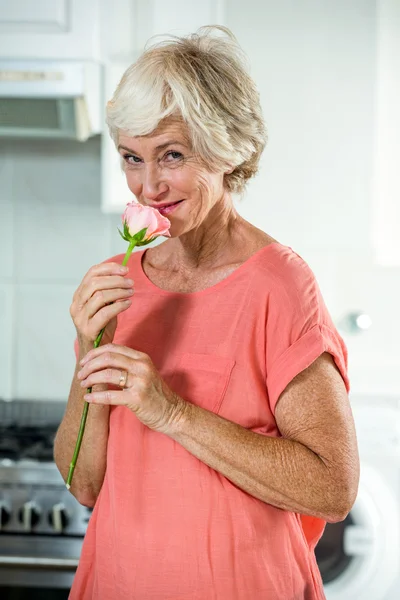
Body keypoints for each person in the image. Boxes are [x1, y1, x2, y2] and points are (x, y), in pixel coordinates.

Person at [54, 26, 359, 600]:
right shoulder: (120, 284)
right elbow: (85, 482)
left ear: (224, 150)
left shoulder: (279, 286)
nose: (148, 186)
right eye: (131, 158)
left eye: (172, 155)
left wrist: (171, 412)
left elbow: (331, 487)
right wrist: (88, 352)